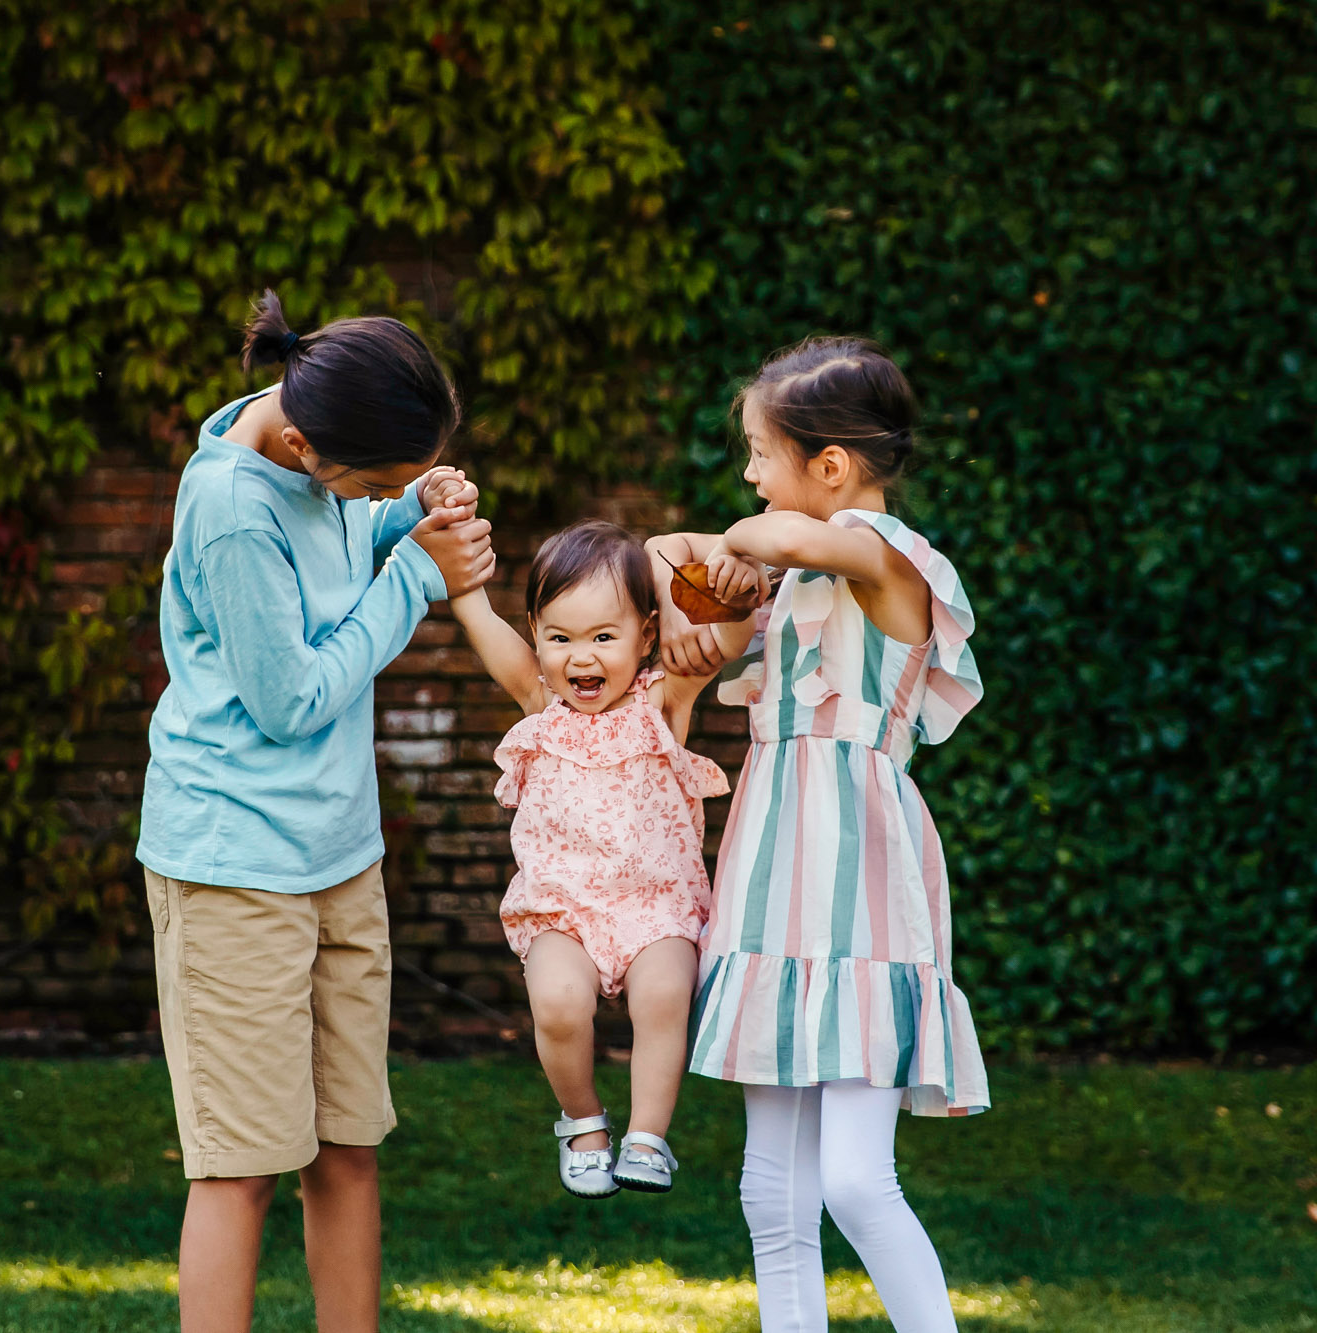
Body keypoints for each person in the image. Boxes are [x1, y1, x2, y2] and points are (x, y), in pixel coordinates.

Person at [136, 291, 493, 1333]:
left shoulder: (312, 446)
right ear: (304, 443)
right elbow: (289, 699)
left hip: (338, 853)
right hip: (232, 863)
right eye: (372, 479)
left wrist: (406, 501)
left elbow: (341, 524)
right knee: (241, 1165)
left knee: (345, 1146)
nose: (376, 495)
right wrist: (414, 573)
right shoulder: (234, 508)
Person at [649, 337, 989, 1332]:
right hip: (771, 870)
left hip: (857, 878)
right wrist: (700, 602)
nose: (750, 476)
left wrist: (733, 551)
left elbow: (799, 543)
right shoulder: (786, 582)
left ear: (828, 467)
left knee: (852, 1178)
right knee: (771, 1190)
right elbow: (665, 562)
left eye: (760, 453)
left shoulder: (887, 560)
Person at [447, 520, 758, 1197]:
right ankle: (583, 1119)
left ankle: (648, 1136)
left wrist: (738, 598)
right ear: (535, 632)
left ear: (647, 634)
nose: (579, 657)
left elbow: (726, 641)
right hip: (563, 907)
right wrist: (462, 580)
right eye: (559, 637)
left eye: (602, 637)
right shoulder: (542, 705)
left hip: (656, 903)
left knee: (665, 993)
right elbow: (480, 618)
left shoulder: (663, 699)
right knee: (556, 1001)